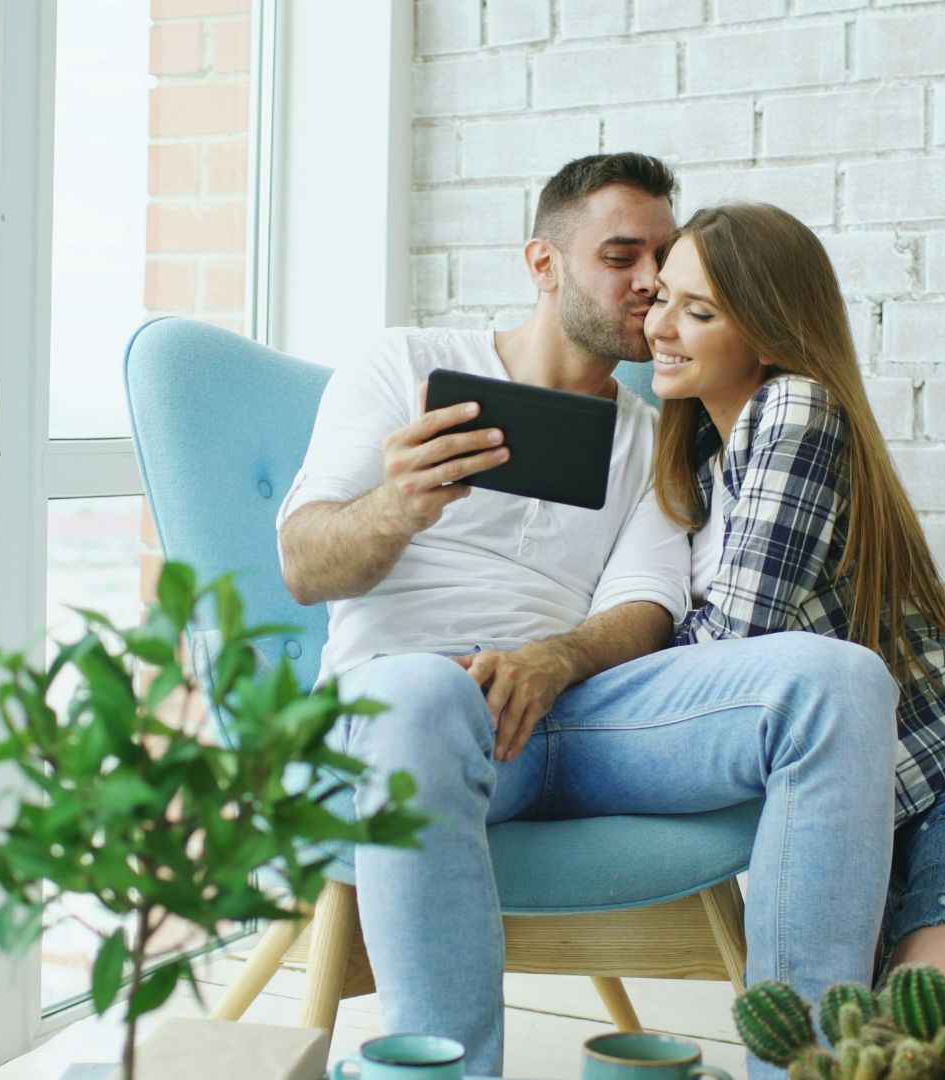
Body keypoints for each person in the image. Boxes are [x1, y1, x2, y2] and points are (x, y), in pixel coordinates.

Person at [275, 155, 898, 1079]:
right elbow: (302, 563)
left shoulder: (657, 432)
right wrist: (397, 505)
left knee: (842, 678)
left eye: (662, 257)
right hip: (413, 710)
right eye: (621, 255)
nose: (650, 283)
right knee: (419, 693)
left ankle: (798, 1067)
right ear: (544, 265)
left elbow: (648, 607)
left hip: (579, 715)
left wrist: (552, 659)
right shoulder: (402, 364)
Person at [643, 201, 945, 1076]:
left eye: (698, 311)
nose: (660, 327)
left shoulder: (796, 407)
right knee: (834, 1054)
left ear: (768, 330)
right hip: (830, 834)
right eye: (661, 299)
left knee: (915, 1051)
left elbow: (740, 650)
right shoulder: (704, 472)